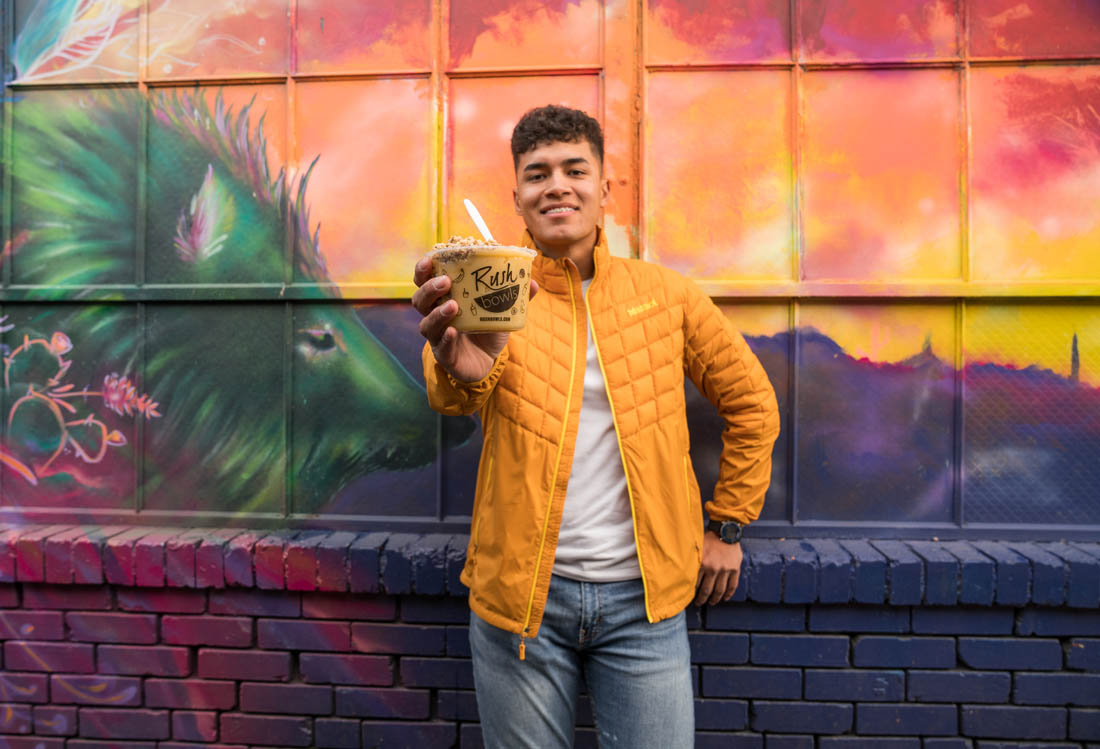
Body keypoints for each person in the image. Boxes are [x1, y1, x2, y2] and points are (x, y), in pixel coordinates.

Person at [411, 105, 779, 748]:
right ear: (518, 198)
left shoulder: (668, 297)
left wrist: (728, 524)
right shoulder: (493, 294)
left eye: (575, 169)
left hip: (647, 604)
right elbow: (454, 397)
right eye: (538, 174)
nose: (557, 185)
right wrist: (467, 367)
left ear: (605, 186)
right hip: (519, 605)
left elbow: (753, 405)